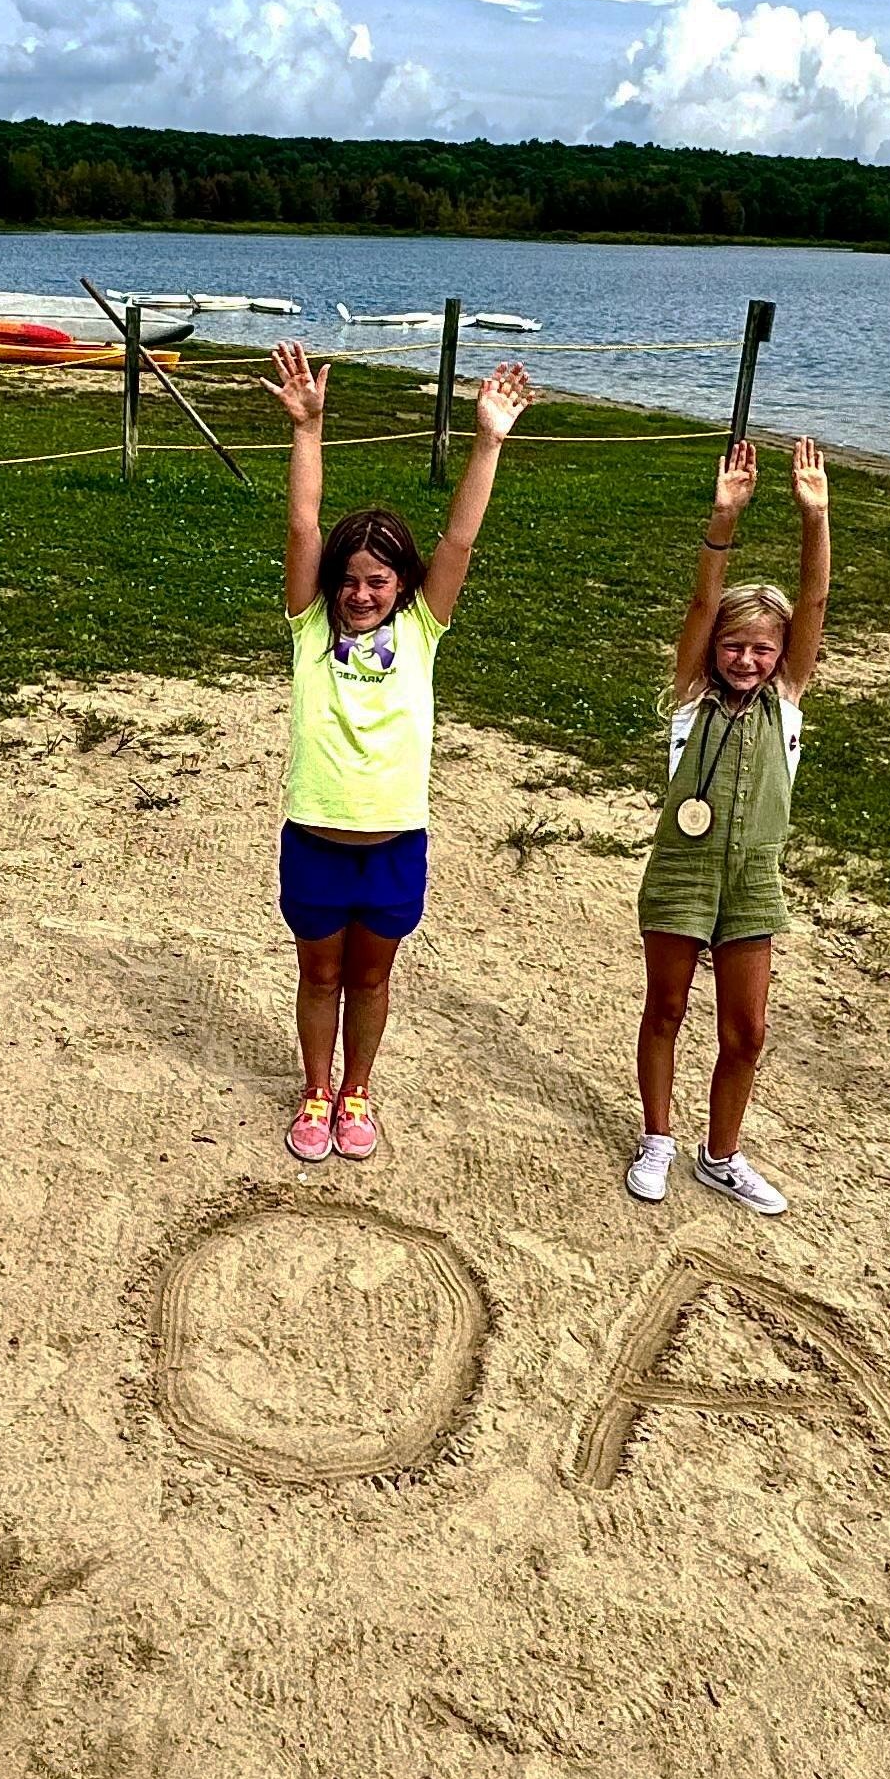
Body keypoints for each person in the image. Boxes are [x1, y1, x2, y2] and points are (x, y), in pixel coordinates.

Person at [260, 339, 536, 1164]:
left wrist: (486, 440)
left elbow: (456, 541)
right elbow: (303, 523)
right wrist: (308, 429)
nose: (360, 590)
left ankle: (358, 1090)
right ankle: (316, 1089)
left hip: (393, 846)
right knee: (318, 976)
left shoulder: (421, 629)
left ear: (401, 586)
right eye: (350, 576)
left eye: (378, 579)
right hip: (314, 838)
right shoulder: (309, 627)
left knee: (370, 980)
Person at [627, 436, 833, 1214]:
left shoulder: (786, 700)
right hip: (680, 873)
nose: (746, 658)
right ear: (712, 648)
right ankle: (657, 1138)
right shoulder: (689, 696)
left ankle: (721, 1154)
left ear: (779, 655)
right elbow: (696, 604)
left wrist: (815, 517)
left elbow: (812, 603)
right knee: (666, 1010)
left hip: (751, 879)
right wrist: (723, 521)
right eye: (733, 645)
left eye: (761, 648)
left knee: (746, 1031)